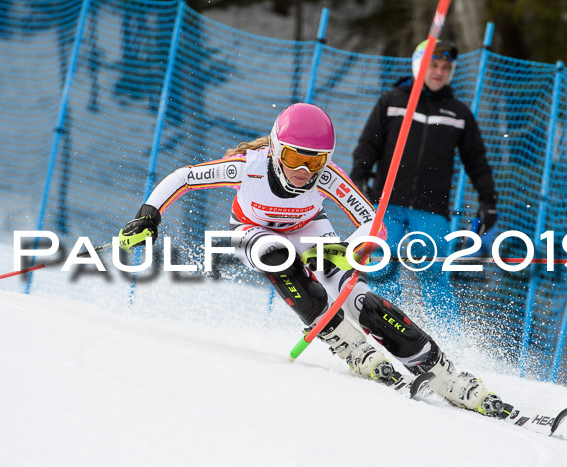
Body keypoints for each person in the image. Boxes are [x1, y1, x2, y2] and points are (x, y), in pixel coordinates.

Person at [118, 103, 503, 416]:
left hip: (308, 229)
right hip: (252, 231)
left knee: (359, 298)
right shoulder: (248, 166)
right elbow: (184, 177)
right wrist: (149, 215)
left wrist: (351, 248)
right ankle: (345, 342)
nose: (303, 173)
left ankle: (441, 370)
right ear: (274, 149)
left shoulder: (328, 178)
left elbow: (374, 223)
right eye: (293, 159)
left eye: (314, 163)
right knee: (277, 256)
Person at [350, 39, 498, 326]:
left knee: (434, 274)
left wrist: (488, 201)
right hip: (387, 203)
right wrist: (359, 176)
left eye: (445, 67)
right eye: (433, 64)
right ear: (420, 64)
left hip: (430, 209)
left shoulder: (458, 113)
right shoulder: (392, 101)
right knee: (382, 268)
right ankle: (385, 329)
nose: (439, 72)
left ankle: (447, 342)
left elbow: (476, 160)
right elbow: (369, 144)